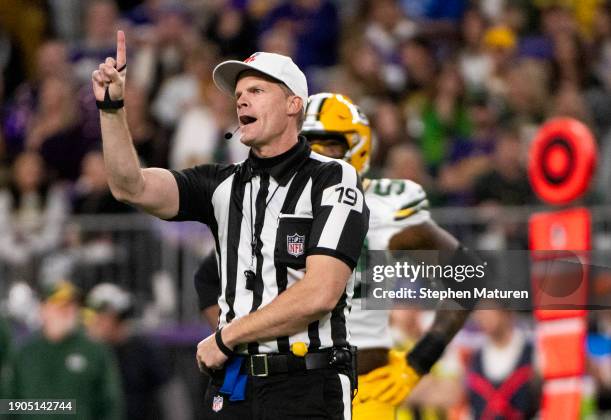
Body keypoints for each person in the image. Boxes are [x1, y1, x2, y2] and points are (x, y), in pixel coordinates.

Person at [92, 31, 369, 419]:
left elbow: (320, 292)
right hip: (235, 383)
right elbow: (129, 186)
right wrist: (112, 110)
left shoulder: (331, 177)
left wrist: (227, 336)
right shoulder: (221, 184)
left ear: (294, 104)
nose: (241, 99)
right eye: (238, 93)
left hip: (306, 383)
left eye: (256, 90)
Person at [195, 92, 483, 419]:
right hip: (290, 384)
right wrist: (239, 345)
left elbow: (470, 275)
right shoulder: (275, 204)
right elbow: (208, 276)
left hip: (365, 388)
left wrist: (418, 361)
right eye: (309, 141)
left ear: (358, 146)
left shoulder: (387, 207)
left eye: (330, 144)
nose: (318, 153)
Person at [2, 280, 123, 419]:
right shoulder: (25, 353)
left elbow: (109, 404)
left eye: (72, 305)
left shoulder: (94, 351)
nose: (67, 310)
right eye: (60, 305)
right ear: (44, 309)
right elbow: (9, 403)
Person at [86, 283, 170, 420]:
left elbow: (168, 394)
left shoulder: (143, 350)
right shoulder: (88, 353)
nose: (95, 321)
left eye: (102, 316)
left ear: (118, 316)